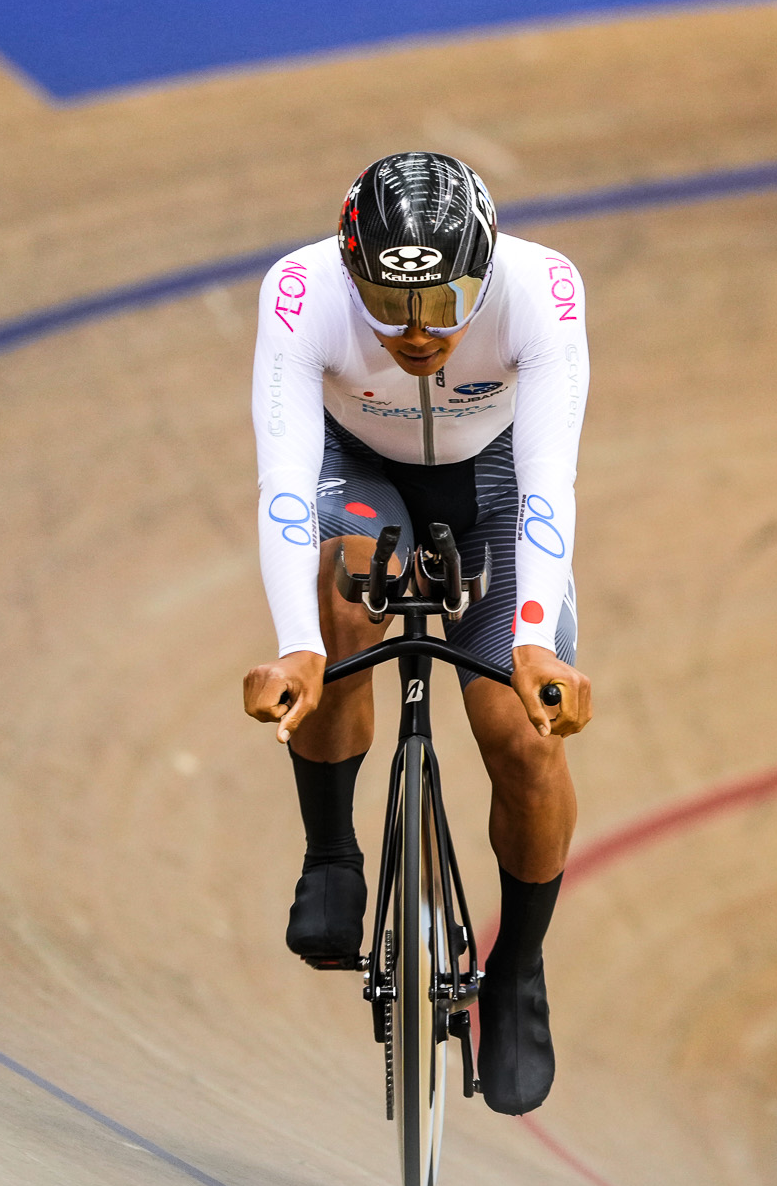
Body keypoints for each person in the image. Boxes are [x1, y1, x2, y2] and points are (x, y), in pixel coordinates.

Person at [240, 151, 592, 1116]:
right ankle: (331, 852)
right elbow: (283, 479)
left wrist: (530, 639)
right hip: (359, 473)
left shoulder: (541, 290)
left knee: (525, 735)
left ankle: (516, 966)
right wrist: (297, 641)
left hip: (494, 490)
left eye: (446, 303)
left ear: (487, 268)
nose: (416, 332)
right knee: (345, 596)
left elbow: (548, 483)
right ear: (350, 271)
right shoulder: (302, 291)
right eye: (389, 306)